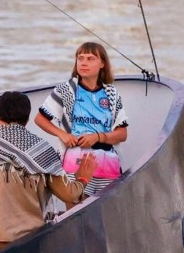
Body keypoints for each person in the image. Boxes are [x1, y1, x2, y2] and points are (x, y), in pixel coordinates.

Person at [0, 91, 97, 253]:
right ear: (27, 119)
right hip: (32, 243)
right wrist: (82, 179)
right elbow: (69, 194)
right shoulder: (42, 151)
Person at [34, 42, 128, 203]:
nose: (84, 63)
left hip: (106, 165)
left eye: (90, 59)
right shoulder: (66, 90)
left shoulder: (112, 93)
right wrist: (63, 135)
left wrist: (98, 137)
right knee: (76, 211)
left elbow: (122, 134)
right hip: (74, 163)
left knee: (105, 212)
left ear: (102, 63)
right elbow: (40, 119)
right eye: (80, 58)